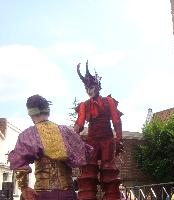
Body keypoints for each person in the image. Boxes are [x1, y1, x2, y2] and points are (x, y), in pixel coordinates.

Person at [8, 94, 93, 200]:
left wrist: (24, 187)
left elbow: (19, 163)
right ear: (47, 111)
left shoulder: (29, 134)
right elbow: (85, 155)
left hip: (43, 194)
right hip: (68, 194)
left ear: (31, 114)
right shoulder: (67, 132)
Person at [74, 61, 124, 200]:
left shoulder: (109, 101)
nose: (89, 90)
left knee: (109, 172)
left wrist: (119, 139)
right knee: (88, 173)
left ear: (97, 86)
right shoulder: (84, 105)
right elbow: (79, 123)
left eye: (91, 87)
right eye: (86, 88)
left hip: (108, 140)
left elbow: (116, 121)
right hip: (92, 142)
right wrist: (71, 136)